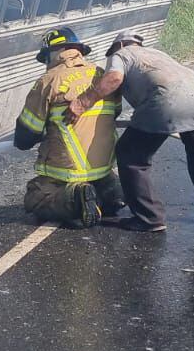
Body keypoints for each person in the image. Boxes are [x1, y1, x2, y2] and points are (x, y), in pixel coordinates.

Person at [68, 30, 194, 231]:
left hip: (165, 102)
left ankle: (148, 217)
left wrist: (83, 102)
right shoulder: (159, 54)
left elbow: (114, 79)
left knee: (131, 155)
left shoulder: (121, 55)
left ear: (121, 45)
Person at [13, 27, 124, 228]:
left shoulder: (49, 81)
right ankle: (112, 193)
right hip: (102, 167)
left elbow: (26, 136)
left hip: (69, 171)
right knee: (103, 180)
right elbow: (115, 112)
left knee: (35, 196)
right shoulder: (101, 75)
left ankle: (76, 197)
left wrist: (39, 131)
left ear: (52, 53)